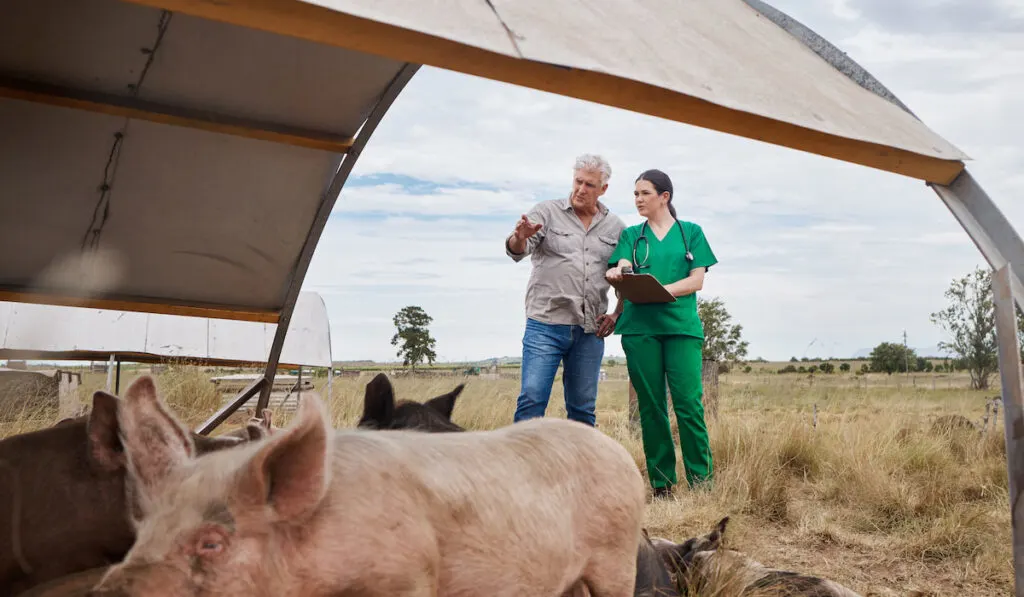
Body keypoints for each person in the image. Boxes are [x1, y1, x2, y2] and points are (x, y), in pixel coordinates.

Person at [606, 168, 717, 498]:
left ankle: (702, 483)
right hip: (640, 330)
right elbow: (624, 264)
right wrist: (619, 271)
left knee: (688, 406)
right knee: (651, 408)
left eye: (644, 193)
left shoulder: (690, 233)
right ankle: (662, 484)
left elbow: (696, 280)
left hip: (681, 329)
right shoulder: (632, 235)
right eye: (635, 194)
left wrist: (659, 289)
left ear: (664, 197)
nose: (638, 200)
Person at [505, 154, 626, 427]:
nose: (581, 189)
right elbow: (517, 249)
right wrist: (519, 237)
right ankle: (522, 467)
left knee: (583, 409)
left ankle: (581, 469)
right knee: (532, 399)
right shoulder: (546, 213)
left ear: (603, 189)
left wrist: (617, 314)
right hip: (545, 325)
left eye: (590, 185)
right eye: (578, 181)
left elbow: (625, 278)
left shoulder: (616, 228)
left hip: (589, 331)